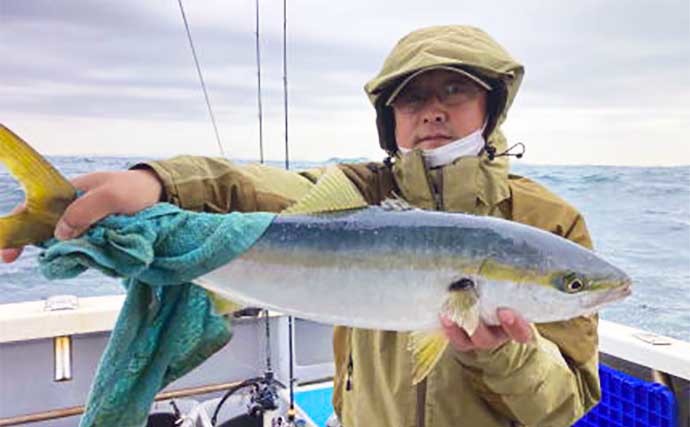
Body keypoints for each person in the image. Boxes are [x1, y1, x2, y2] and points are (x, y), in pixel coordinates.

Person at [2, 25, 600, 426]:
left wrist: (502, 357)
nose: (434, 110)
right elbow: (263, 187)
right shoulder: (362, 192)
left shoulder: (549, 224)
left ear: (491, 106)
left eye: (455, 90)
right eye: (412, 98)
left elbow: (565, 407)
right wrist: (160, 182)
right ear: (389, 119)